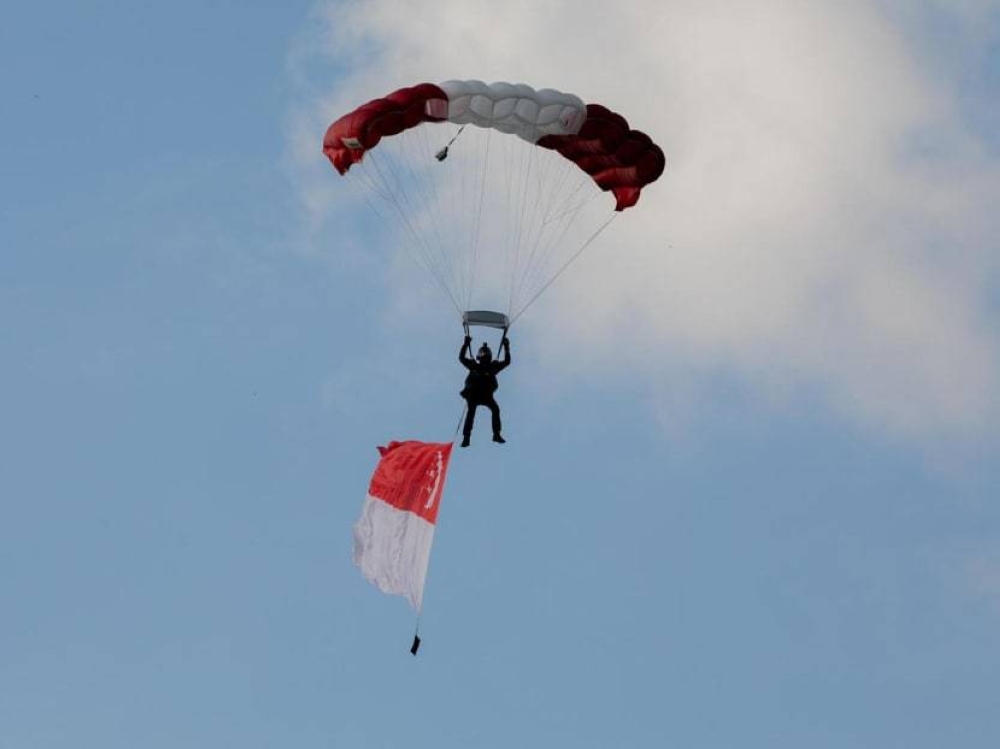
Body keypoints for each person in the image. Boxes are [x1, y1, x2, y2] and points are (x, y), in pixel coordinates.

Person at [458, 334, 511, 447]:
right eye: (483, 353)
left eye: (486, 354)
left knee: (495, 410)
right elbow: (461, 358)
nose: (485, 355)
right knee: (471, 413)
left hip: (486, 394)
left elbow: (507, 362)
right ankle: (466, 437)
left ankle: (496, 434)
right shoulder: (474, 365)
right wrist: (465, 344)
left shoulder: (492, 367)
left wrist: (506, 346)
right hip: (474, 394)